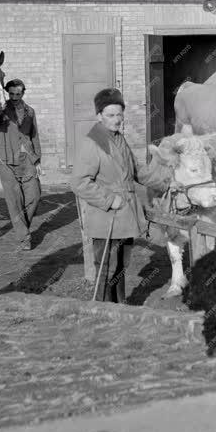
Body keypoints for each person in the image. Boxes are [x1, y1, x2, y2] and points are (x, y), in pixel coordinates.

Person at [71, 88, 174, 303]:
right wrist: (109, 200)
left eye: (119, 114)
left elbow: (137, 171)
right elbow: (79, 182)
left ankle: (120, 306)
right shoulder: (92, 144)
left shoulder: (119, 139)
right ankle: (102, 310)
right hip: (106, 217)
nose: (117, 120)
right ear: (99, 116)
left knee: (120, 266)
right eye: (110, 115)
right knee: (106, 268)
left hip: (125, 217)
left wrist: (167, 183)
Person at [0, 79, 42, 251]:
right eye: (12, 94)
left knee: (35, 195)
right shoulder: (1, 110)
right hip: (6, 160)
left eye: (18, 94)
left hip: (27, 159)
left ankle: (22, 227)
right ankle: (24, 238)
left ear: (23, 93)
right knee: (14, 200)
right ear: (8, 93)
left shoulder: (30, 111)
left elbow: (35, 136)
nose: (15, 97)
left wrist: (37, 159)